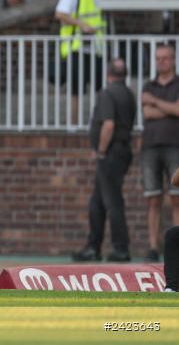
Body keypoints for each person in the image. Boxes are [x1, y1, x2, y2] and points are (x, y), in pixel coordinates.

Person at [72, 59, 136, 263]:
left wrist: (100, 150)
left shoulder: (107, 93)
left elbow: (108, 125)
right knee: (97, 202)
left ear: (108, 72)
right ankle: (93, 246)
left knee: (112, 201)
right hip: (122, 150)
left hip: (110, 153)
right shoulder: (128, 93)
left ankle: (120, 248)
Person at [54, 0, 107, 122]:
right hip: (77, 46)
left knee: (100, 88)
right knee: (76, 91)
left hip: (95, 48)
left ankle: (97, 122)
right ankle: (73, 125)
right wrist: (82, 25)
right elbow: (61, 13)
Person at [140, 42, 179, 263]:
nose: (160, 62)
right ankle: (153, 247)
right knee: (153, 199)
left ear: (173, 60)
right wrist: (169, 108)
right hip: (151, 148)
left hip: (175, 146)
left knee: (177, 198)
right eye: (157, 58)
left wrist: (156, 103)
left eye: (164, 58)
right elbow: (146, 112)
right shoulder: (149, 84)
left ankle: (176, 248)